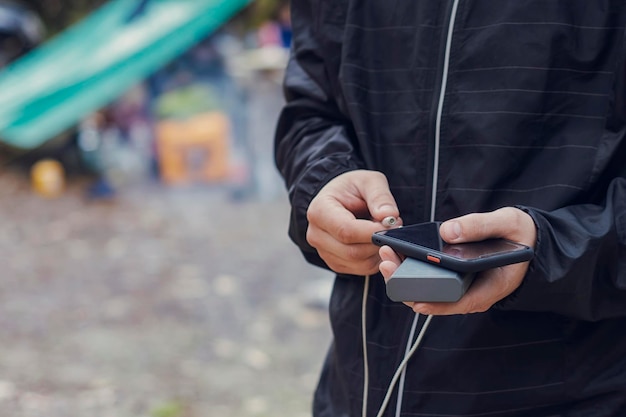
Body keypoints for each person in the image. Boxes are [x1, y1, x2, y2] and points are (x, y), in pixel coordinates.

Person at [274, 2, 626, 417]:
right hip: (357, 392)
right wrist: (323, 182)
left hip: (572, 393)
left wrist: (551, 249)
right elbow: (310, 108)